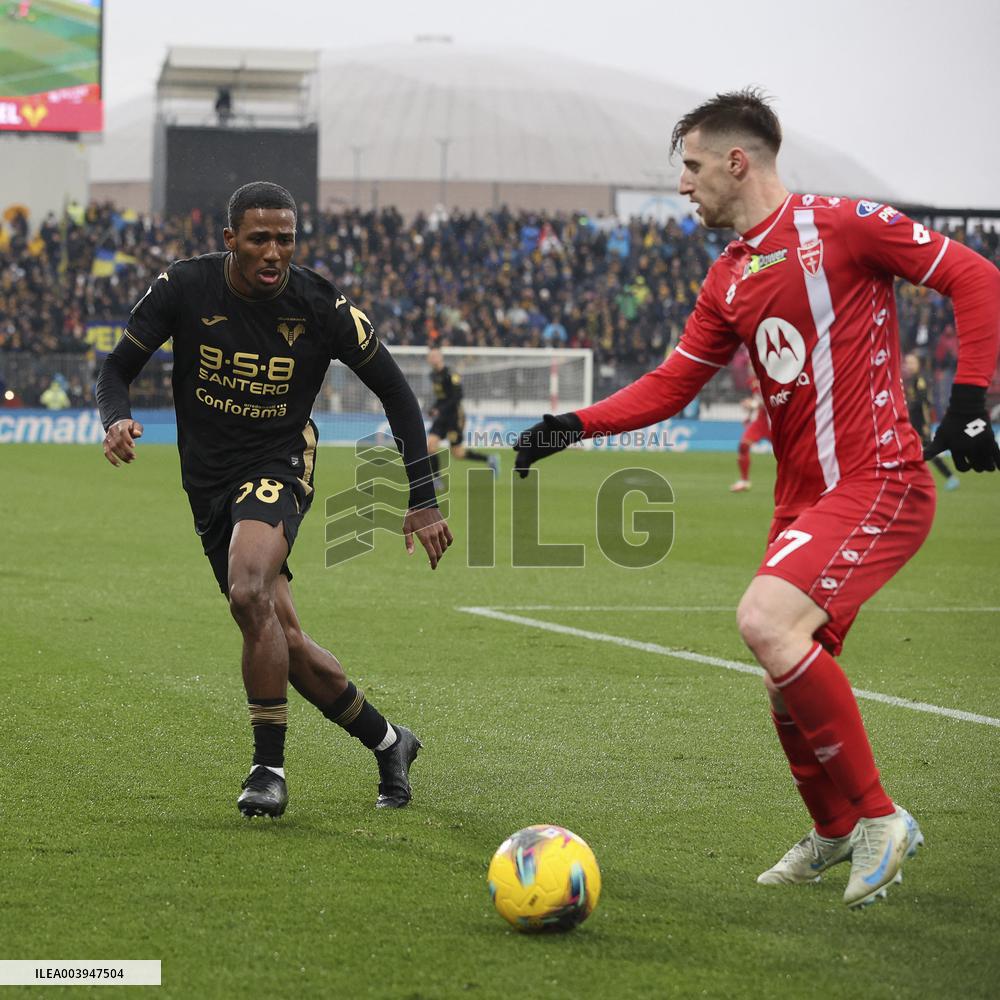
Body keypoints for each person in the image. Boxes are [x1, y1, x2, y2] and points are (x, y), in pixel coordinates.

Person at [515, 89, 1000, 909]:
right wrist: (574, 424)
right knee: (782, 674)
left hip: (878, 478)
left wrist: (970, 402)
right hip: (804, 500)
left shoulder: (840, 225)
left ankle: (882, 818)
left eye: (693, 167)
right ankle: (837, 830)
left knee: (765, 623)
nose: (684, 185)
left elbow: (974, 274)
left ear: (738, 162)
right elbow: (675, 383)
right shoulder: (730, 275)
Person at [97, 181, 453, 820]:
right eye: (259, 238)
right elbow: (116, 367)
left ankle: (268, 769)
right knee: (280, 635)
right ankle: (391, 742)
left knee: (247, 590)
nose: (273, 252)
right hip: (206, 480)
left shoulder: (322, 305)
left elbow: (398, 393)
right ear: (229, 239)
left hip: (278, 461)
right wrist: (115, 418)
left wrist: (423, 497)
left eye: (284, 239)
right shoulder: (183, 287)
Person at [425, 346, 499, 485]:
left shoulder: (451, 374)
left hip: (454, 416)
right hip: (441, 417)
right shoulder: (433, 375)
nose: (433, 358)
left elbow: (458, 397)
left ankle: (489, 459)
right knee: (430, 445)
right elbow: (442, 398)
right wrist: (434, 408)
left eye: (435, 355)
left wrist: (439, 409)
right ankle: (436, 479)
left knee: (458, 453)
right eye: (431, 356)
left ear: (441, 357)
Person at [903, 351, 959, 490]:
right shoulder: (914, 379)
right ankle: (913, 480)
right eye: (907, 363)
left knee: (927, 452)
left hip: (920, 425)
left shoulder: (919, 380)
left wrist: (925, 425)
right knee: (915, 452)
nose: (909, 365)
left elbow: (924, 403)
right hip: (914, 424)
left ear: (917, 364)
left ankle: (949, 477)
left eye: (912, 362)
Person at [731, 376, 770, 492]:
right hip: (761, 422)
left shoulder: (773, 375)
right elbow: (758, 399)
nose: (751, 366)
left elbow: (771, 399)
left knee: (788, 455)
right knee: (744, 445)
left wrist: (752, 404)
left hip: (776, 422)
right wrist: (748, 417)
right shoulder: (753, 380)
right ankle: (744, 481)